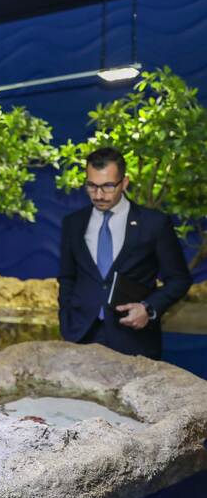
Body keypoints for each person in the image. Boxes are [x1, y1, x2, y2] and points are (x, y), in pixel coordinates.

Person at [58, 147, 192, 359]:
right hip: (81, 336)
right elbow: (67, 277)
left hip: (133, 339)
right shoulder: (73, 223)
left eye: (108, 186)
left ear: (125, 182)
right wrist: (66, 318)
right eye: (92, 186)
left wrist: (148, 309)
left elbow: (179, 279)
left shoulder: (154, 224)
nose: (99, 195)